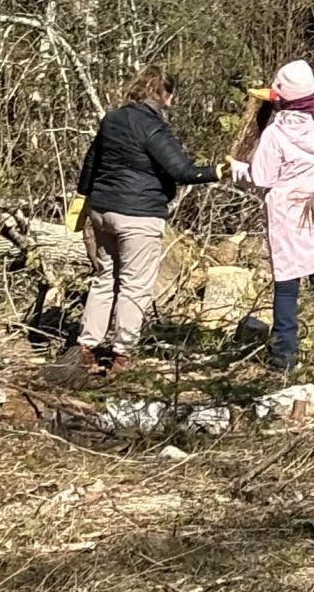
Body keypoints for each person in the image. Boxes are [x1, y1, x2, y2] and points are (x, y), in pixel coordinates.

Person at [61, 69, 224, 371]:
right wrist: (218, 171)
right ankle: (122, 355)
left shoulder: (112, 119)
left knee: (104, 278)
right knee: (135, 286)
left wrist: (81, 203)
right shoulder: (153, 128)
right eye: (171, 95)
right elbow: (181, 171)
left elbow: (91, 162)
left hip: (102, 210)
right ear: (165, 96)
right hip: (138, 215)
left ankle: (86, 347)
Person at [236, 59, 314, 369]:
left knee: (287, 287)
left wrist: (237, 168)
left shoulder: (276, 135)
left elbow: (262, 176)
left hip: (290, 213)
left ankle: (284, 358)